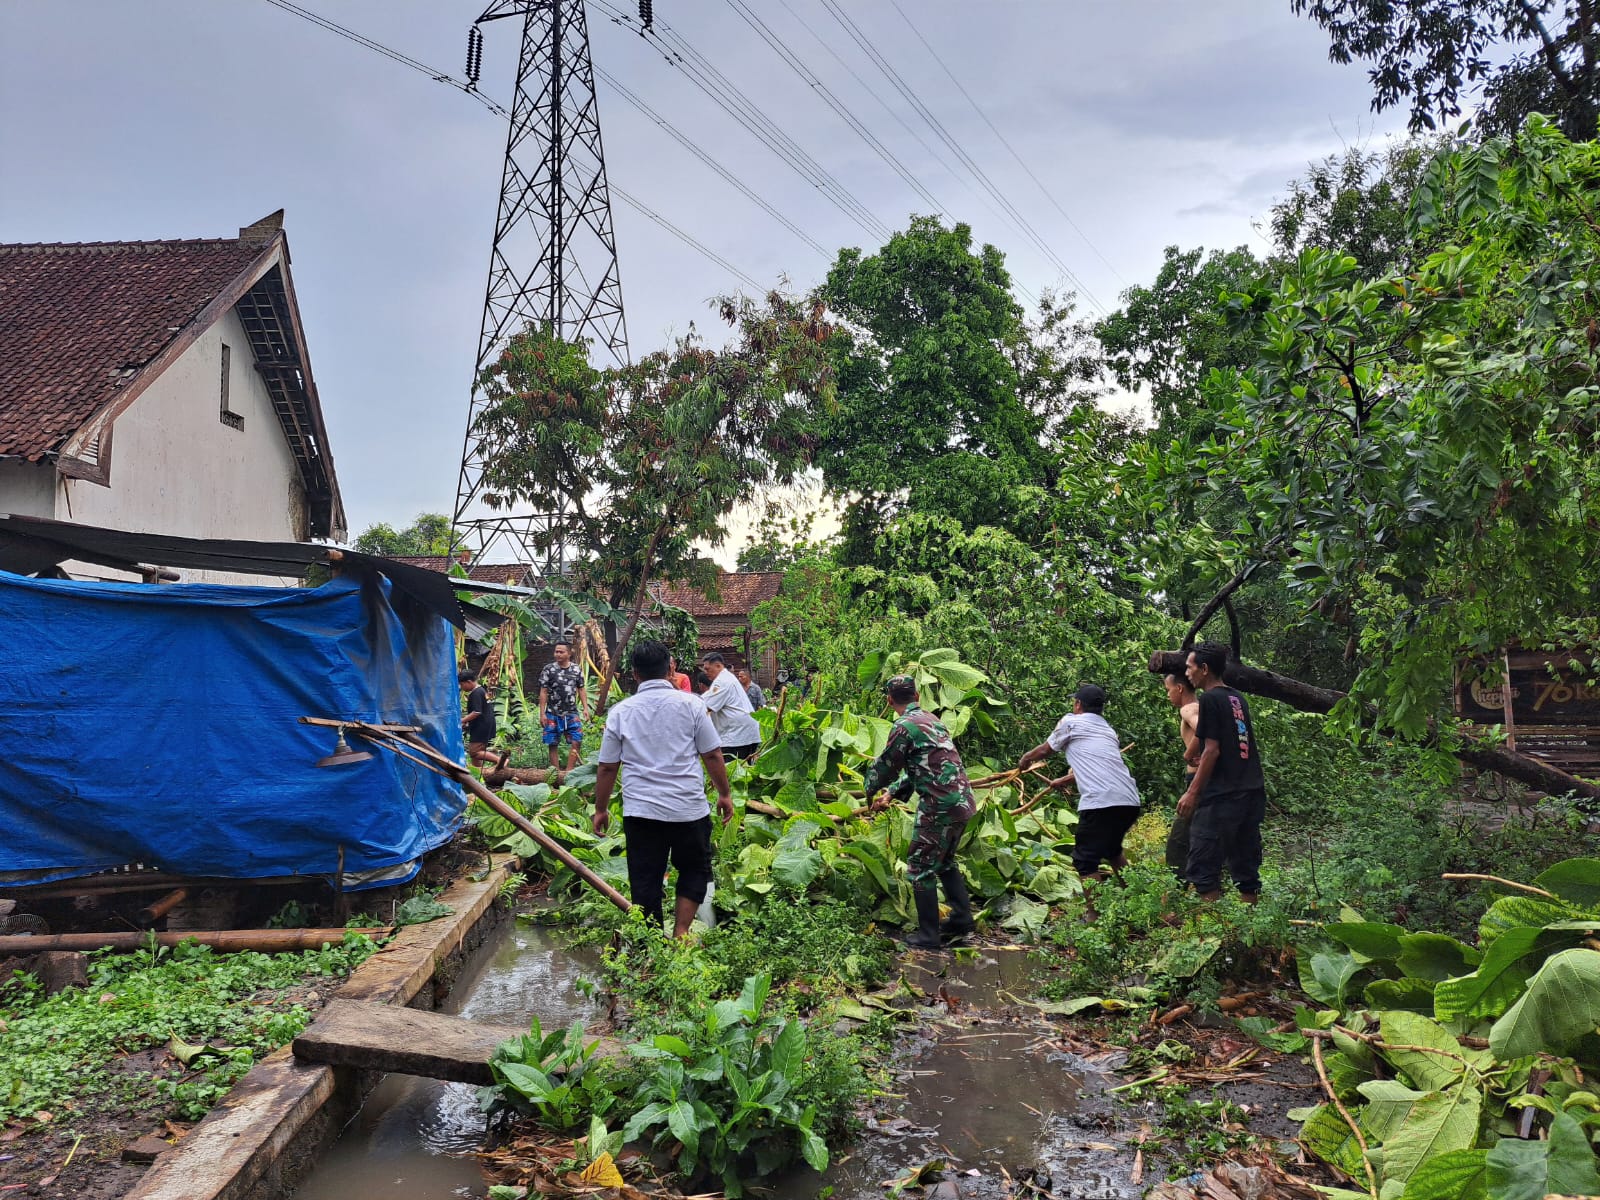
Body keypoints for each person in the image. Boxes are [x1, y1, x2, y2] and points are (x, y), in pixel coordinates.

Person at [592, 639, 734, 936]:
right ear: (670, 669)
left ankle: (652, 942)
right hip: (688, 808)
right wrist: (724, 793)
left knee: (645, 878)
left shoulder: (620, 712)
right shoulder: (693, 705)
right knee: (694, 869)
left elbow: (607, 767)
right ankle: (681, 932)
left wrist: (601, 809)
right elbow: (712, 754)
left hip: (641, 812)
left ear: (634, 673)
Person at [862, 676, 977, 949]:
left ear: (889, 700)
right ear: (916, 696)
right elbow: (923, 767)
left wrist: (870, 790)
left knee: (919, 867)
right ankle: (962, 919)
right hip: (962, 801)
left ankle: (928, 935)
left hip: (939, 807)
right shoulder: (932, 721)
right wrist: (892, 793)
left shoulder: (903, 726)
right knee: (944, 861)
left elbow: (886, 765)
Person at [1017, 684, 1141, 914]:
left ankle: (1097, 917)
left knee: (1084, 860)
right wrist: (1064, 780)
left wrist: (1026, 758)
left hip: (1101, 802)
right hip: (1129, 801)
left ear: (1077, 704)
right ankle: (1141, 906)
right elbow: (1101, 765)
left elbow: (1045, 750)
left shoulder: (1071, 722)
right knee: (1112, 851)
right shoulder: (1108, 731)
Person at [1178, 642, 1267, 903]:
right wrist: (1193, 752)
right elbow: (1222, 739)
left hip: (1223, 795)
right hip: (1251, 791)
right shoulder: (1236, 698)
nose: (1187, 673)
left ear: (1204, 669)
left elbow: (1212, 750)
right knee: (1245, 867)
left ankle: (1215, 926)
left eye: (1190, 667)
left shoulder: (1209, 699)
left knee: (1203, 868)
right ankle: (1249, 922)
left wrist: (1192, 793)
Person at [1163, 672, 1201, 882]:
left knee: (1178, 843)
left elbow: (1204, 729)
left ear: (1179, 688)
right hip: (1208, 779)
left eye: (1168, 690)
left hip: (1198, 781)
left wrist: (1189, 754)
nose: (1168, 695)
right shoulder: (1203, 706)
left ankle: (1176, 889)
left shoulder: (1189, 709)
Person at [699, 652, 762, 761]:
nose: (706, 672)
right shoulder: (725, 678)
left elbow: (704, 706)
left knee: (732, 769)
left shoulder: (722, 681)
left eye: (707, 669)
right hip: (742, 732)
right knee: (743, 768)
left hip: (737, 735)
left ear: (718, 666)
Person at [537, 641, 589, 773]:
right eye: (556, 651)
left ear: (569, 653)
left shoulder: (576, 669)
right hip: (552, 712)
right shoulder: (548, 669)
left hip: (571, 712)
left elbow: (581, 689)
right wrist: (542, 713)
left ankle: (569, 771)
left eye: (561, 652)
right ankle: (555, 773)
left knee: (577, 740)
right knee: (552, 742)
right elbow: (543, 691)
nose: (558, 654)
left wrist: (585, 708)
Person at [458, 669, 506, 772]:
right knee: (477, 753)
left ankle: (501, 760)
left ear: (469, 682)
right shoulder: (481, 690)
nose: (461, 687)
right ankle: (479, 773)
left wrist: (461, 720)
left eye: (462, 684)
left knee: (474, 752)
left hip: (481, 726)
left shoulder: (476, 693)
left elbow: (476, 712)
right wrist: (467, 722)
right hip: (485, 724)